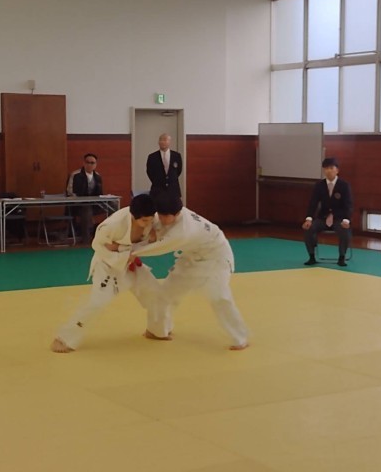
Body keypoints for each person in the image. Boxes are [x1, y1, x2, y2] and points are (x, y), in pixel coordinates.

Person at [132, 192, 249, 351]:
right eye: (160, 214)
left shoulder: (185, 230)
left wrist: (131, 252)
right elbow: (153, 230)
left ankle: (240, 337)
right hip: (190, 257)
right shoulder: (163, 214)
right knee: (164, 294)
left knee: (220, 297)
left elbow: (159, 248)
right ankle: (157, 330)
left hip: (216, 257)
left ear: (177, 213)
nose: (162, 219)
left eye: (166, 216)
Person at [50, 194, 163, 353]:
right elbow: (98, 246)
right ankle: (64, 338)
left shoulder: (153, 219)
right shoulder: (112, 225)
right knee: (98, 302)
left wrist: (125, 248)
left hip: (130, 262)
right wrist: (122, 253)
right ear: (133, 215)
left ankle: (156, 330)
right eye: (145, 221)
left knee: (156, 292)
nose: (148, 224)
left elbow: (155, 240)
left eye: (150, 220)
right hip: (108, 265)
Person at [302, 157, 353, 267]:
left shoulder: (344, 185)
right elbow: (313, 203)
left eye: (331, 168)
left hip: (339, 218)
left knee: (345, 231)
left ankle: (342, 257)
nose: (328, 171)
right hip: (323, 218)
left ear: (337, 170)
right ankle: (311, 256)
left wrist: (346, 220)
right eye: (326, 168)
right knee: (308, 228)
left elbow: (348, 205)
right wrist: (308, 219)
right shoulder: (319, 185)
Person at [66, 153, 104, 243]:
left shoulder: (98, 176)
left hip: (94, 204)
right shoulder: (75, 175)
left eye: (92, 163)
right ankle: (86, 240)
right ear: (83, 163)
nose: (90, 165)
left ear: (96, 164)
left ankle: (111, 235)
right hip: (77, 205)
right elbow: (69, 192)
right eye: (87, 162)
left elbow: (100, 193)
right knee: (87, 209)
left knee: (113, 206)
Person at [146, 133, 182, 199]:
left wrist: (170, 179)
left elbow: (178, 171)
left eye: (165, 140)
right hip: (157, 190)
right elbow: (149, 172)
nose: (162, 142)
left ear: (169, 142)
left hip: (173, 190)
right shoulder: (152, 157)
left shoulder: (176, 156)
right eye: (160, 140)